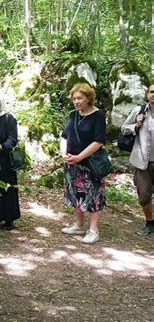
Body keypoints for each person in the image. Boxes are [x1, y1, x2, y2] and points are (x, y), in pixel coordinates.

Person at [60, 83, 107, 244]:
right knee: (75, 193)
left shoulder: (98, 116)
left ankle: (94, 230)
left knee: (93, 195)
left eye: (80, 98)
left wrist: (80, 156)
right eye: (74, 98)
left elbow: (98, 141)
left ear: (88, 98)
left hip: (89, 163)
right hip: (72, 163)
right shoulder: (73, 115)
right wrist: (64, 154)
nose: (76, 101)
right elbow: (64, 136)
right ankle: (79, 224)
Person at [121, 83, 154, 236]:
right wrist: (136, 125)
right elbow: (124, 128)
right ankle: (149, 223)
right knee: (144, 195)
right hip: (143, 162)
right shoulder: (139, 111)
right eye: (152, 92)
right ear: (148, 94)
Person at [0, 92, 21, 230]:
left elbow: (12, 139)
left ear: (1, 104)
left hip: (4, 159)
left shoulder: (9, 119)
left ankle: (8, 219)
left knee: (7, 188)